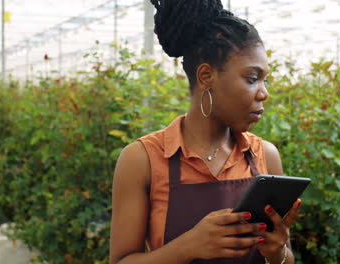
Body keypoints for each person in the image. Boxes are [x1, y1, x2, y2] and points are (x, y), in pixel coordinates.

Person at [109, 0, 302, 263]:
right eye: (252, 78)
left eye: (265, 79)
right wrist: (187, 247)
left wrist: (278, 252)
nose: (264, 92)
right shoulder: (142, 160)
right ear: (206, 77)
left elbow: (285, 259)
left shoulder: (265, 156)